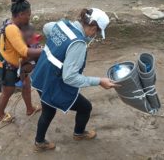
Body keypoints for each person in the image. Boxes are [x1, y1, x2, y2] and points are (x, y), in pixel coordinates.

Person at [31, 8, 119, 151]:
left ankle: (39, 142)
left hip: (41, 76)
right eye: (96, 32)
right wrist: (99, 81)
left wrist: (58, 48)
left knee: (48, 111)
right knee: (85, 107)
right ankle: (78, 133)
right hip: (52, 81)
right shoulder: (78, 44)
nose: (94, 36)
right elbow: (70, 78)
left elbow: (46, 28)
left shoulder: (63, 24)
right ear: (93, 27)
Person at [0, 0, 42, 122]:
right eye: (28, 15)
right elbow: (24, 51)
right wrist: (44, 51)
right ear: (21, 15)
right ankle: (0, 114)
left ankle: (29, 109)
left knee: (26, 84)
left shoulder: (19, 26)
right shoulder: (11, 29)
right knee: (8, 92)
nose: (29, 18)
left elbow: (28, 39)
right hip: (7, 66)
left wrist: (35, 43)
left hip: (18, 64)